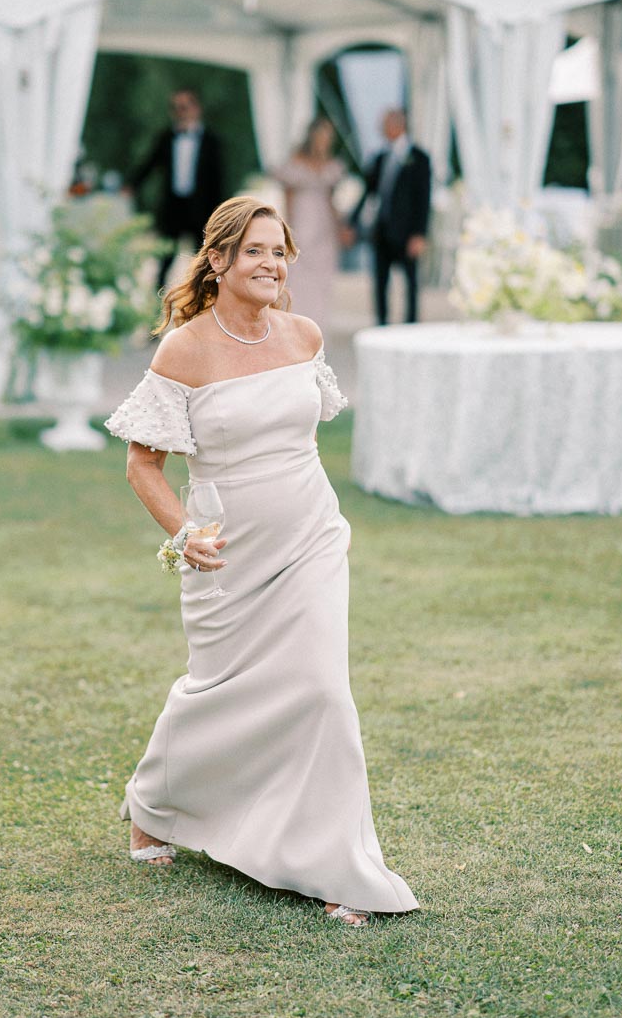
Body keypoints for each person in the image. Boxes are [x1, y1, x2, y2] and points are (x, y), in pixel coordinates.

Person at [105, 195, 418, 927]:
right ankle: (153, 803)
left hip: (311, 540)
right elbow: (143, 465)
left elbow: (296, 443)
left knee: (322, 692)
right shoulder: (184, 350)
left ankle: (337, 866)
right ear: (217, 261)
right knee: (217, 692)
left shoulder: (305, 336)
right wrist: (186, 534)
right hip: (226, 555)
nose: (271, 264)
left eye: (280, 252)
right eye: (255, 251)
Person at [124, 88, 225, 295]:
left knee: (203, 258)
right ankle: (157, 299)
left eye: (184, 107)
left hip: (201, 209)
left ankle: (204, 298)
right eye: (175, 107)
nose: (180, 112)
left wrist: (220, 212)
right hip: (172, 207)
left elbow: (219, 179)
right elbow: (149, 163)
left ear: (196, 108)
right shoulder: (166, 137)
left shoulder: (211, 140)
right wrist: (131, 185)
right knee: (165, 256)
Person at [273, 117, 352, 335]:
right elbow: (288, 199)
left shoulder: (331, 165)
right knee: (299, 279)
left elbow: (332, 201)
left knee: (322, 281)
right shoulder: (296, 163)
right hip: (302, 222)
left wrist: (340, 227)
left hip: (324, 227)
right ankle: (298, 326)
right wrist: (286, 231)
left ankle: (318, 328)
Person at [352, 109, 431, 326]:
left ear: (398, 125)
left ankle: (411, 325)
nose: (381, 129)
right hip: (382, 230)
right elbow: (368, 192)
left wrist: (419, 233)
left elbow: (423, 198)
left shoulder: (419, 158)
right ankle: (381, 323)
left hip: (407, 232)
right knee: (380, 281)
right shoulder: (380, 158)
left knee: (410, 282)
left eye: (385, 124)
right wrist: (353, 221)